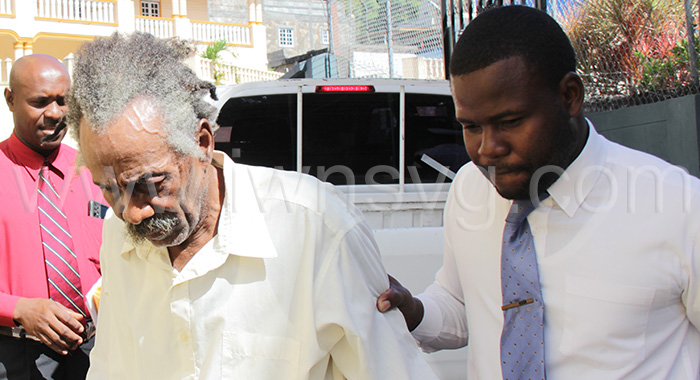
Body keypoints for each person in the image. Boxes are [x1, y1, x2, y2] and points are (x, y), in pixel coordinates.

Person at [65, 32, 438, 380]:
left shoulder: (316, 226)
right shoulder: (119, 237)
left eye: (149, 184)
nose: (132, 212)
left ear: (203, 141)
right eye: (110, 189)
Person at [377, 5, 700, 379]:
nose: (487, 148)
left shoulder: (679, 208)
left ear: (570, 96)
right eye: (471, 126)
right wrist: (415, 311)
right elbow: (466, 304)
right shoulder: (470, 188)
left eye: (510, 122)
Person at [0, 54, 106, 379]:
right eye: (40, 102)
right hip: (16, 355)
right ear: (10, 99)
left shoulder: (99, 168)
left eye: (63, 101)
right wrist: (16, 308)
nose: (55, 113)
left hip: (100, 346)